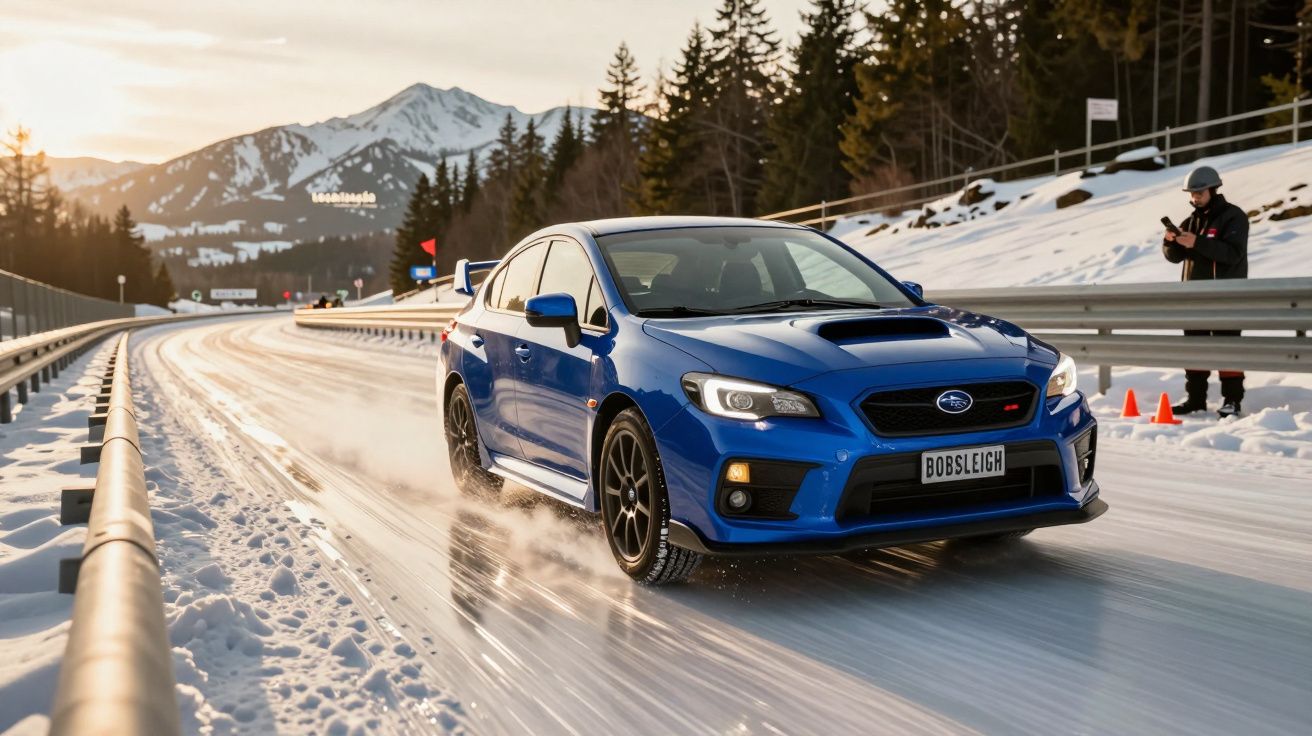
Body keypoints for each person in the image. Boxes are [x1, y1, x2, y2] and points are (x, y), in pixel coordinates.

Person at [1162, 165, 1249, 418]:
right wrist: (1169, 242)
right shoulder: (1190, 221)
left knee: (1227, 348)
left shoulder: (1234, 217)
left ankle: (1232, 400)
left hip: (1226, 297)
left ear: (1213, 189)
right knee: (1195, 348)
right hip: (1194, 297)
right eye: (1191, 193)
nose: (1195, 197)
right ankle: (1195, 399)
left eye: (1199, 192)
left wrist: (1197, 242)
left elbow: (1232, 254)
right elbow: (1175, 257)